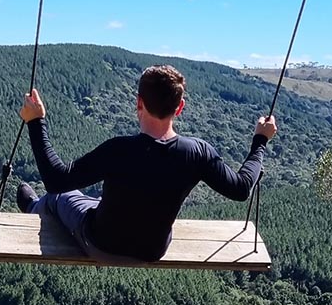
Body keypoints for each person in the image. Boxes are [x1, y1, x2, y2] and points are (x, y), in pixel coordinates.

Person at [16, 65, 277, 262]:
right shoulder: (198, 152)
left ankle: (33, 207)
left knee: (62, 196)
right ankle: (48, 205)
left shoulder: (119, 149)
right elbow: (242, 188)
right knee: (99, 203)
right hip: (153, 250)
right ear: (180, 107)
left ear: (138, 102)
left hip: (101, 245)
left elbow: (56, 180)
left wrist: (36, 121)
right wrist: (260, 141)